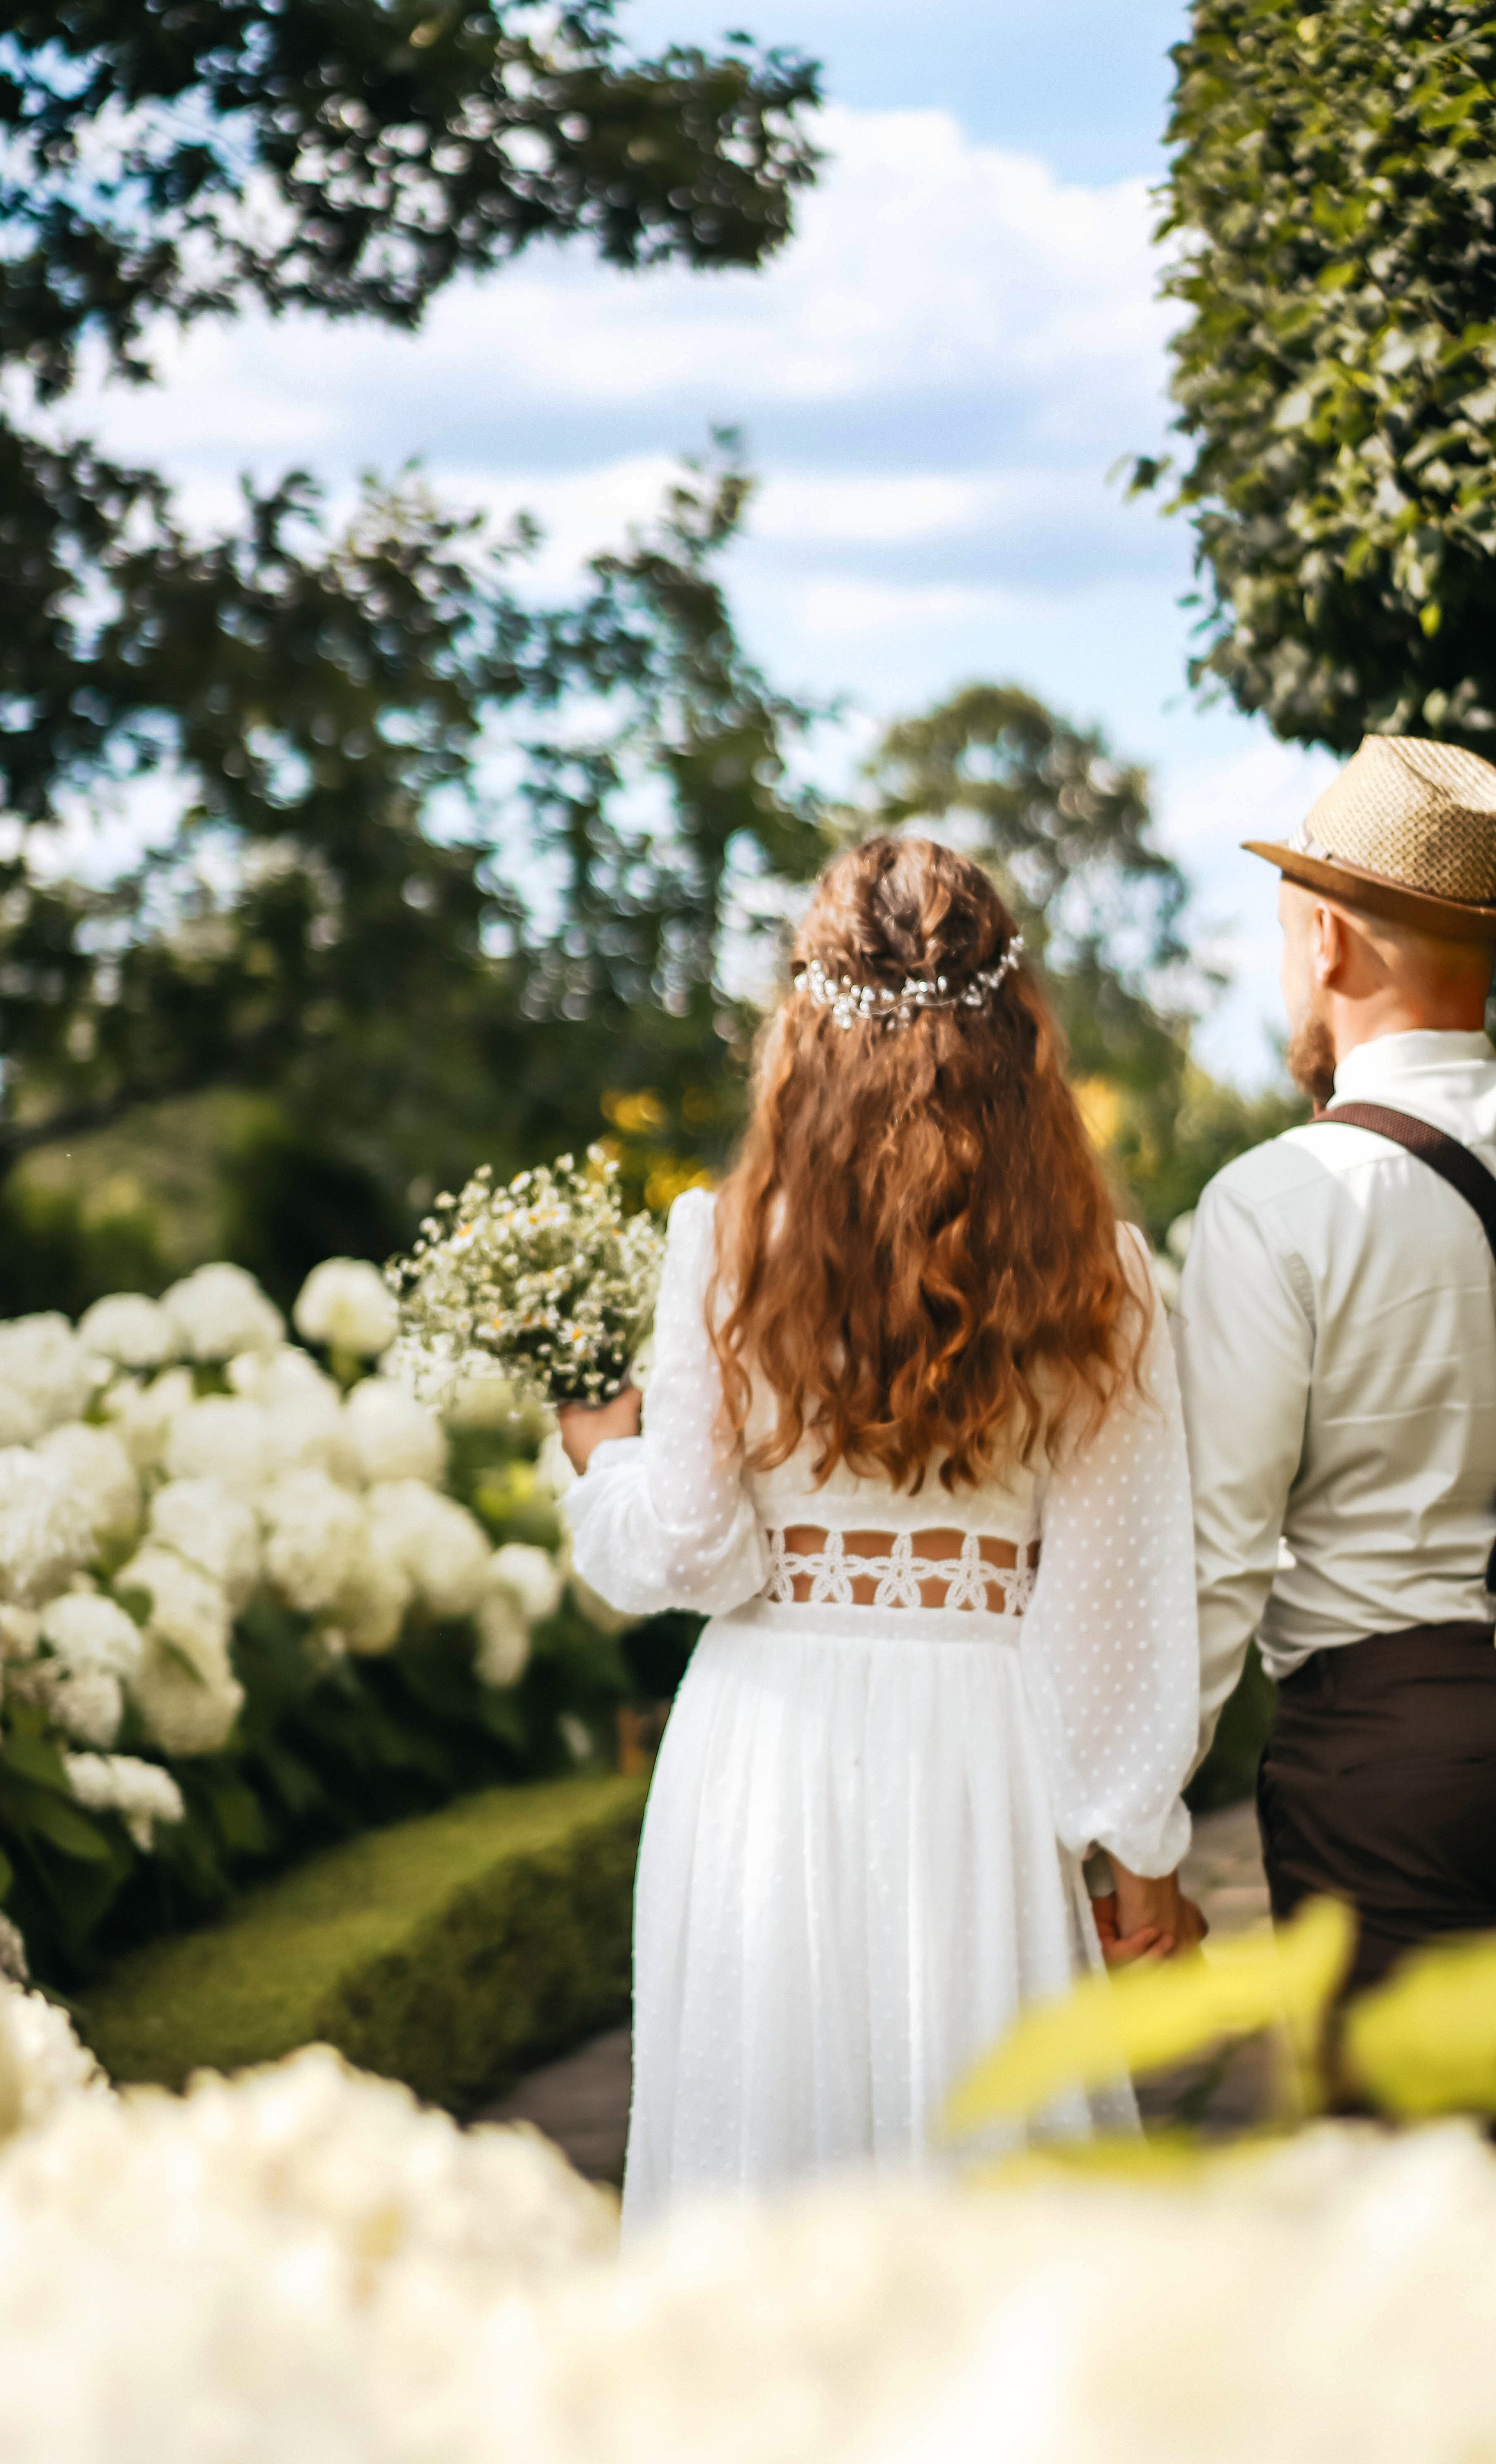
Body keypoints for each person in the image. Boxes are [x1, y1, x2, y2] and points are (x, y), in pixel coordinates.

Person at [557, 835, 1203, 2229]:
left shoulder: (722, 1247)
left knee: (762, 2186)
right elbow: (1113, 1598)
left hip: (762, 1746)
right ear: (1014, 1031)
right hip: (977, 1760)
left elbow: (691, 1551)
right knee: (982, 2186)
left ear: (805, 1022)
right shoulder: (1102, 1279)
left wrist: (592, 1465)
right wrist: (1141, 1864)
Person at [1174, 735, 1496, 1998]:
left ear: (1322, 942)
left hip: (1385, 1760)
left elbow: (1221, 1548)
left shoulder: (1277, 1199)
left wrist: (1141, 1832)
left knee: (1402, 2183)